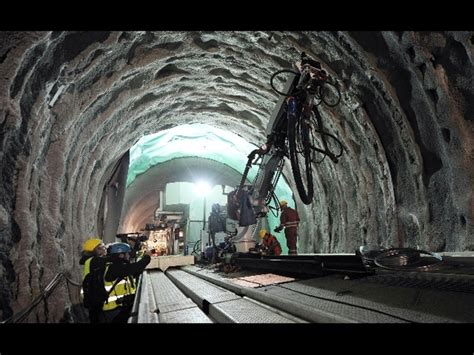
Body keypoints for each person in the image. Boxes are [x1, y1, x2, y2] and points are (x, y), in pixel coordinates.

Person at [102, 242, 151, 323]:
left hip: (120, 307)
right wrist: (147, 257)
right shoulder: (115, 267)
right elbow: (136, 267)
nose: (129, 256)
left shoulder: (117, 265)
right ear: (121, 255)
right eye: (127, 254)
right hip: (113, 310)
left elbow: (131, 272)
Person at [79, 238, 107, 323]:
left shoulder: (89, 260)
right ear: (95, 250)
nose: (104, 249)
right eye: (101, 247)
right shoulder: (94, 261)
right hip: (94, 297)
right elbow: (110, 259)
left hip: (92, 295)